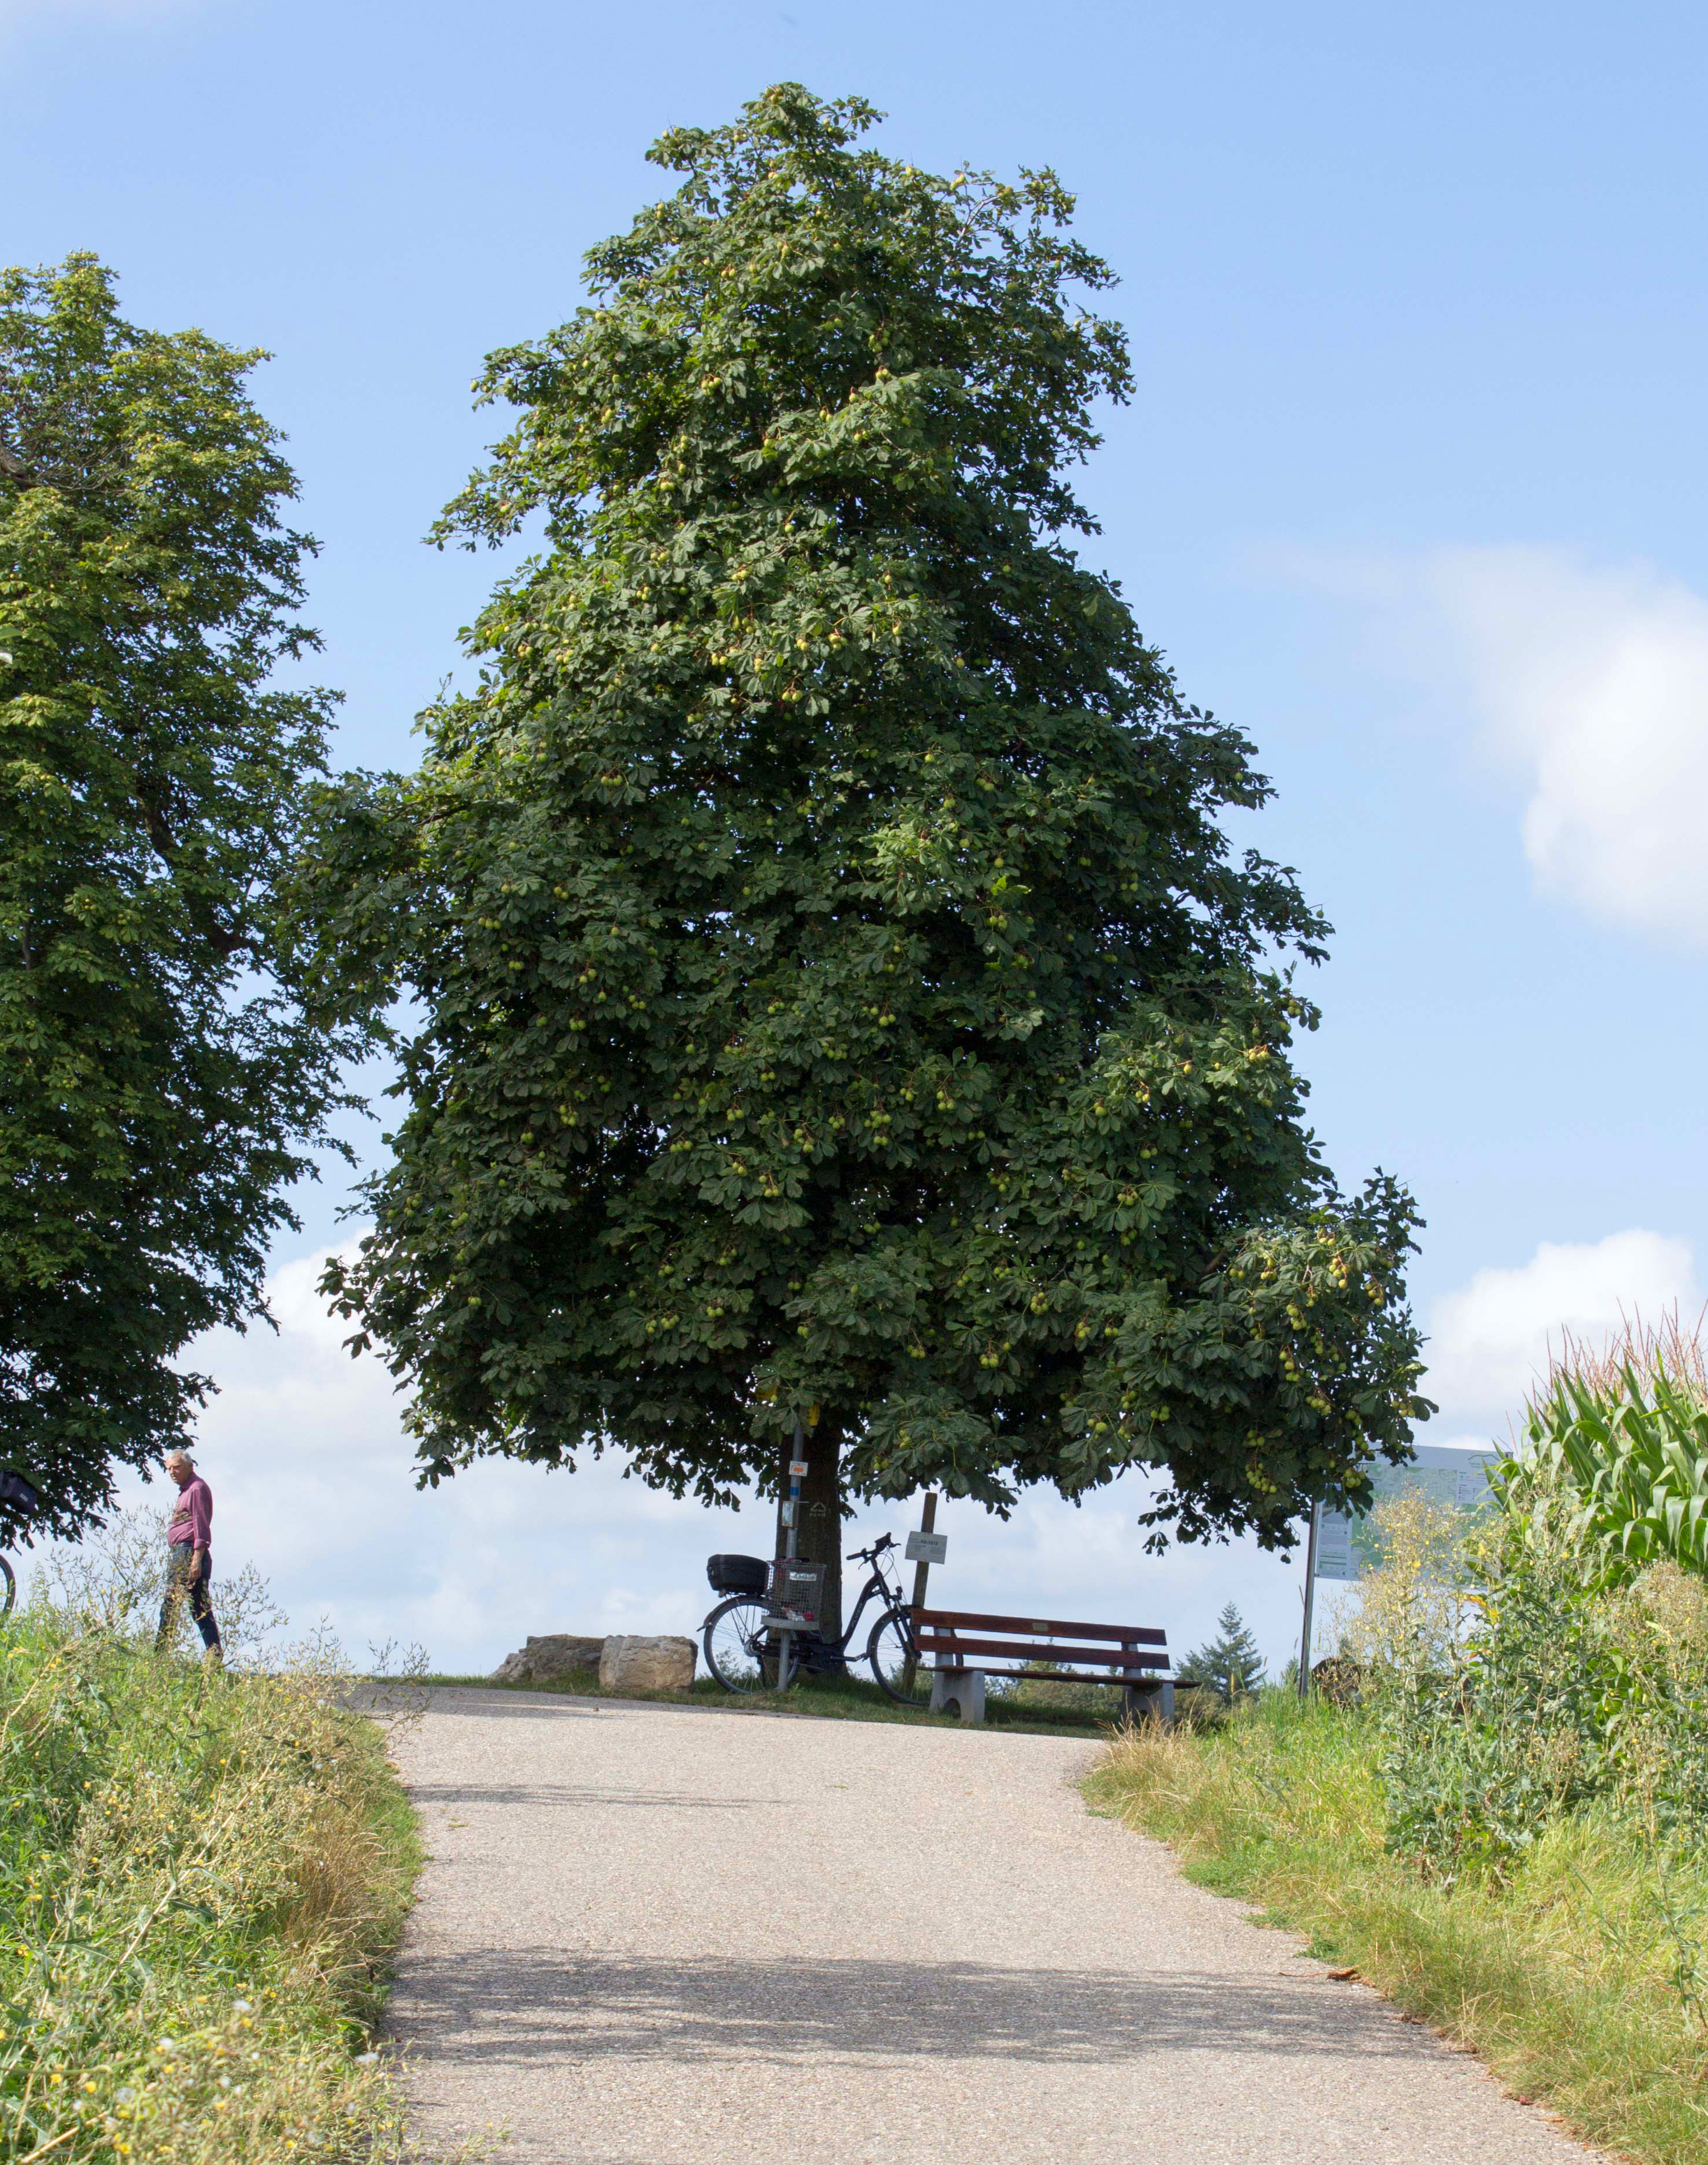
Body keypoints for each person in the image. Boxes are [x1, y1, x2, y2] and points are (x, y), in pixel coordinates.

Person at [155, 1449, 222, 1661]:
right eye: (169, 1469)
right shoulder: (186, 1490)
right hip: (183, 1552)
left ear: (190, 1467)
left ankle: (159, 1656)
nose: (172, 1473)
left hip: (188, 1552)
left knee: (173, 1605)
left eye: (177, 1468)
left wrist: (196, 1560)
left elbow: (201, 1526)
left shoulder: (195, 1489)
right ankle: (213, 1654)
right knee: (197, 1608)